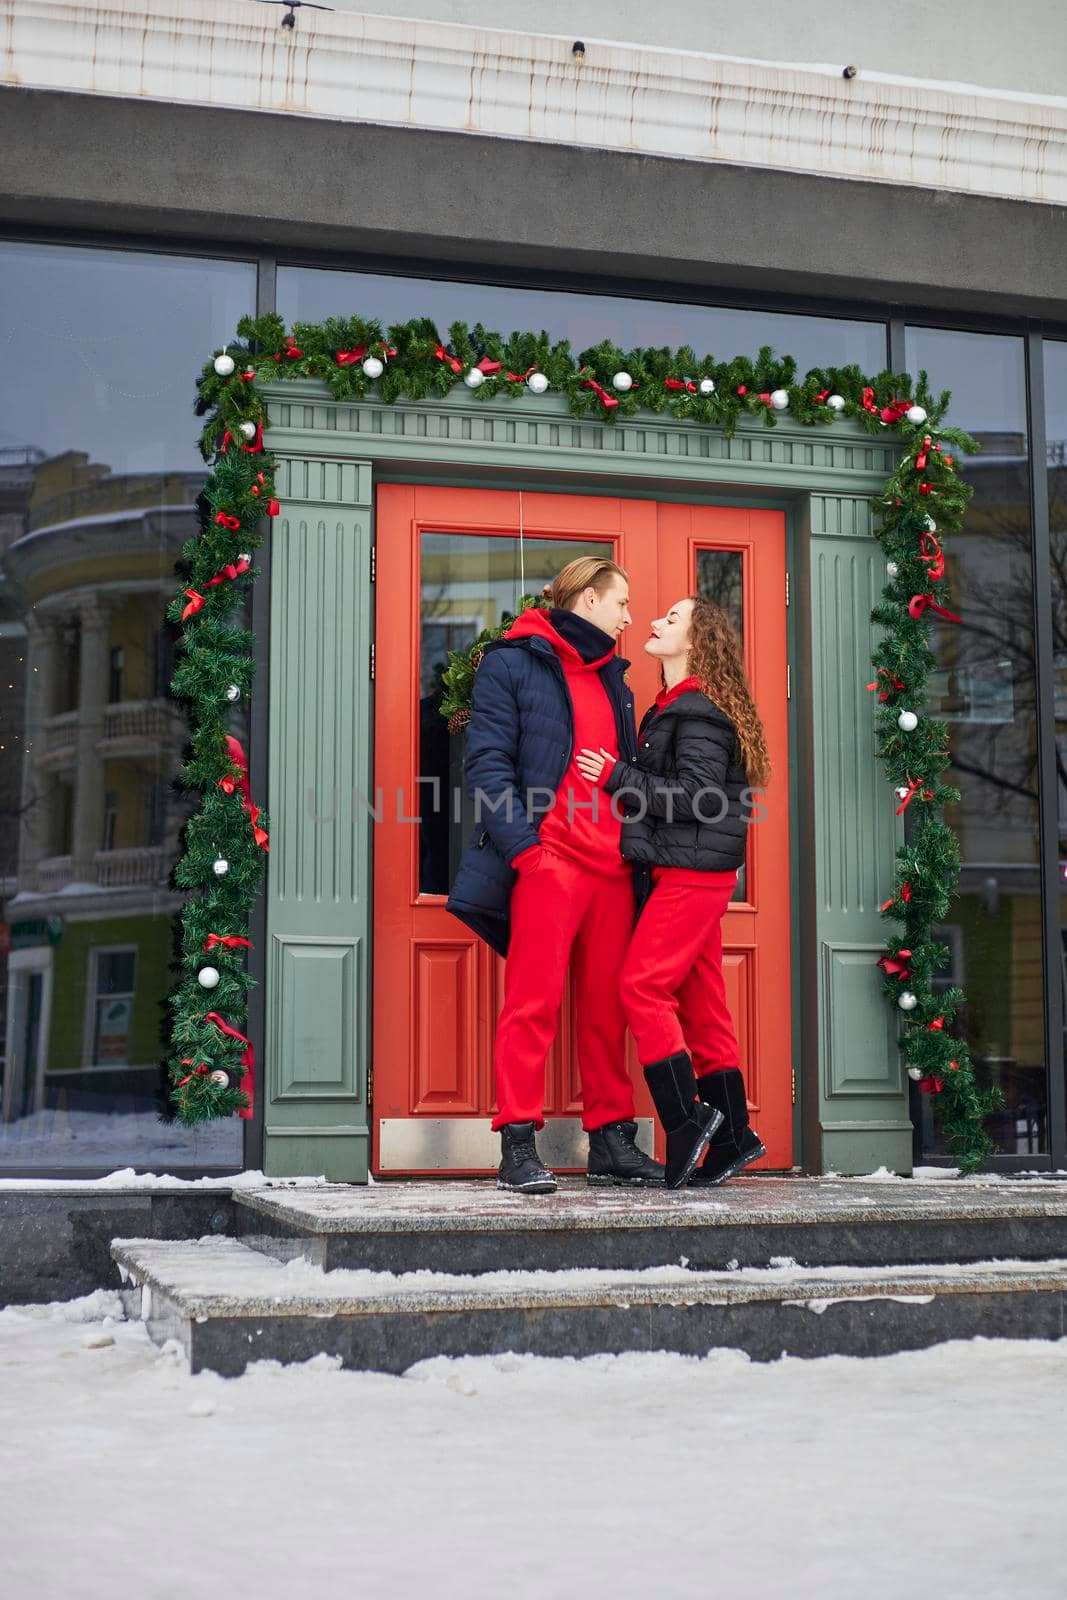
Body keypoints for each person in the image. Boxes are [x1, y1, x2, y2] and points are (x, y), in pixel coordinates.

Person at [447, 557, 664, 1194]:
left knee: (606, 1013)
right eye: (622, 602)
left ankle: (612, 1143)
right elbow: (487, 766)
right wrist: (528, 852)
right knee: (531, 1006)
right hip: (551, 863)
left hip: (612, 871)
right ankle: (517, 1145)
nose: (630, 617)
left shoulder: (616, 681)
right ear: (589, 600)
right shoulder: (512, 663)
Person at [577, 594, 769, 1187]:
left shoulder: (698, 712)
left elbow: (695, 797)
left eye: (671, 619)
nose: (656, 623)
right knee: (704, 1007)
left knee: (641, 987)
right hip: (687, 871)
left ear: (696, 639)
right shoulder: (678, 706)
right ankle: (735, 1137)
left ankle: (687, 1123)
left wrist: (615, 777)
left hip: (692, 875)